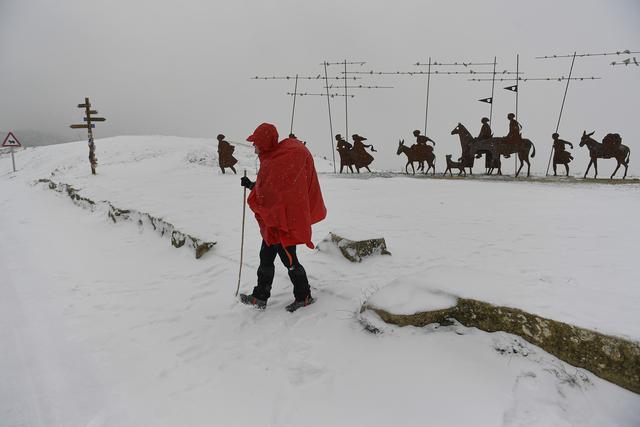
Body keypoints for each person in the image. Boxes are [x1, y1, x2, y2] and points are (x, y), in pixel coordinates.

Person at [239, 123, 327, 312]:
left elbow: (279, 192)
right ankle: (260, 297)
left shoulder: (279, 160)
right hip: (273, 223)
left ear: (264, 142)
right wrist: (252, 185)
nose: (254, 147)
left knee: (290, 261)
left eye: (256, 143)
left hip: (283, 224)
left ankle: (304, 297)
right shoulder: (270, 159)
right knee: (265, 258)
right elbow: (270, 189)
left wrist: (257, 190)